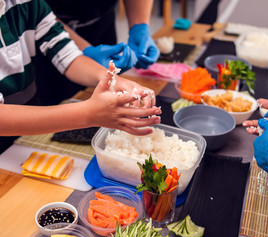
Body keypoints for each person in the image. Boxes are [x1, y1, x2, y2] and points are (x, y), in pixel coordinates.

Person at [0, 0, 161, 150]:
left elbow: (62, 48)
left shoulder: (27, 3)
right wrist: (88, 113)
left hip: (23, 136)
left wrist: (110, 77)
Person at [35, 0, 160, 105]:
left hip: (100, 25)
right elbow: (40, 19)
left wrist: (139, 26)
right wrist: (81, 52)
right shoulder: (36, 14)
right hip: (48, 40)